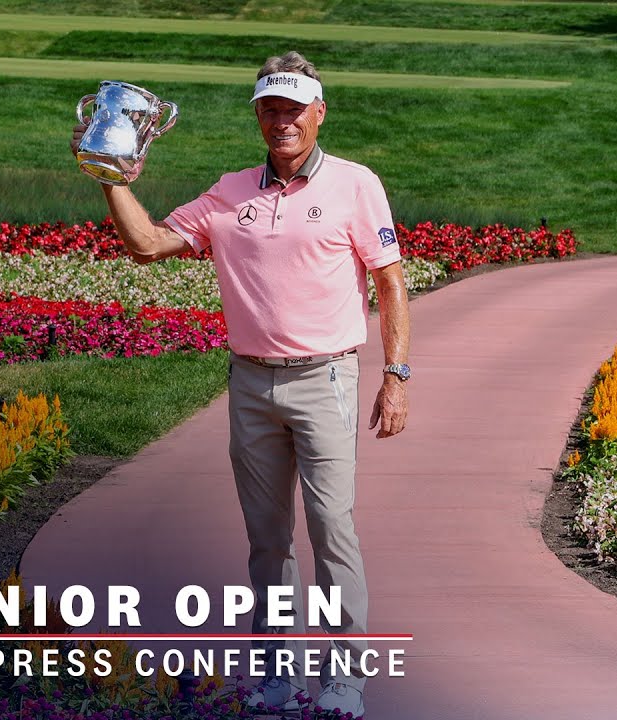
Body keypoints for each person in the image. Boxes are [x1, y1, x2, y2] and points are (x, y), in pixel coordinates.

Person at [71, 51, 410, 719]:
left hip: (327, 378)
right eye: (270, 109)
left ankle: (344, 680)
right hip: (251, 384)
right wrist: (110, 178)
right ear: (258, 115)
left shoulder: (354, 184)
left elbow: (390, 281)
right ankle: (276, 677)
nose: (281, 121)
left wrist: (395, 376)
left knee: (332, 530)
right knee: (266, 539)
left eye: (293, 109)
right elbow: (146, 244)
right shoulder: (229, 192)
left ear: (319, 112)